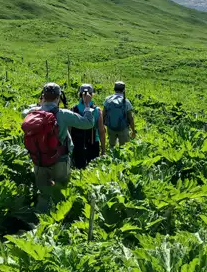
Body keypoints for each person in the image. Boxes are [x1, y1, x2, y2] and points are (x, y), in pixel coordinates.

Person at [21, 82, 96, 212]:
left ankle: (40, 221)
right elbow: (88, 123)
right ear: (58, 97)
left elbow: (23, 113)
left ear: (43, 96)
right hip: (59, 160)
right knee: (61, 191)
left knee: (43, 194)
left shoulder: (33, 113)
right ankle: (58, 220)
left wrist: (39, 105)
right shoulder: (63, 114)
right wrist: (87, 106)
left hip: (39, 159)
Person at [70, 83, 106, 169]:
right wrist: (103, 149)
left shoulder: (73, 109)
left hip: (77, 143)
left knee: (78, 169)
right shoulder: (97, 110)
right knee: (92, 168)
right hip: (93, 142)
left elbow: (70, 130)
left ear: (80, 95)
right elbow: (101, 130)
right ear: (91, 95)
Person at [103, 81, 136, 148]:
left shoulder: (108, 100)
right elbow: (130, 118)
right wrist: (133, 130)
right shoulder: (126, 101)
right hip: (123, 128)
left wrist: (102, 125)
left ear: (114, 89)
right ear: (124, 90)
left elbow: (103, 114)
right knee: (124, 148)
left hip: (111, 127)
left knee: (111, 147)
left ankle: (110, 158)